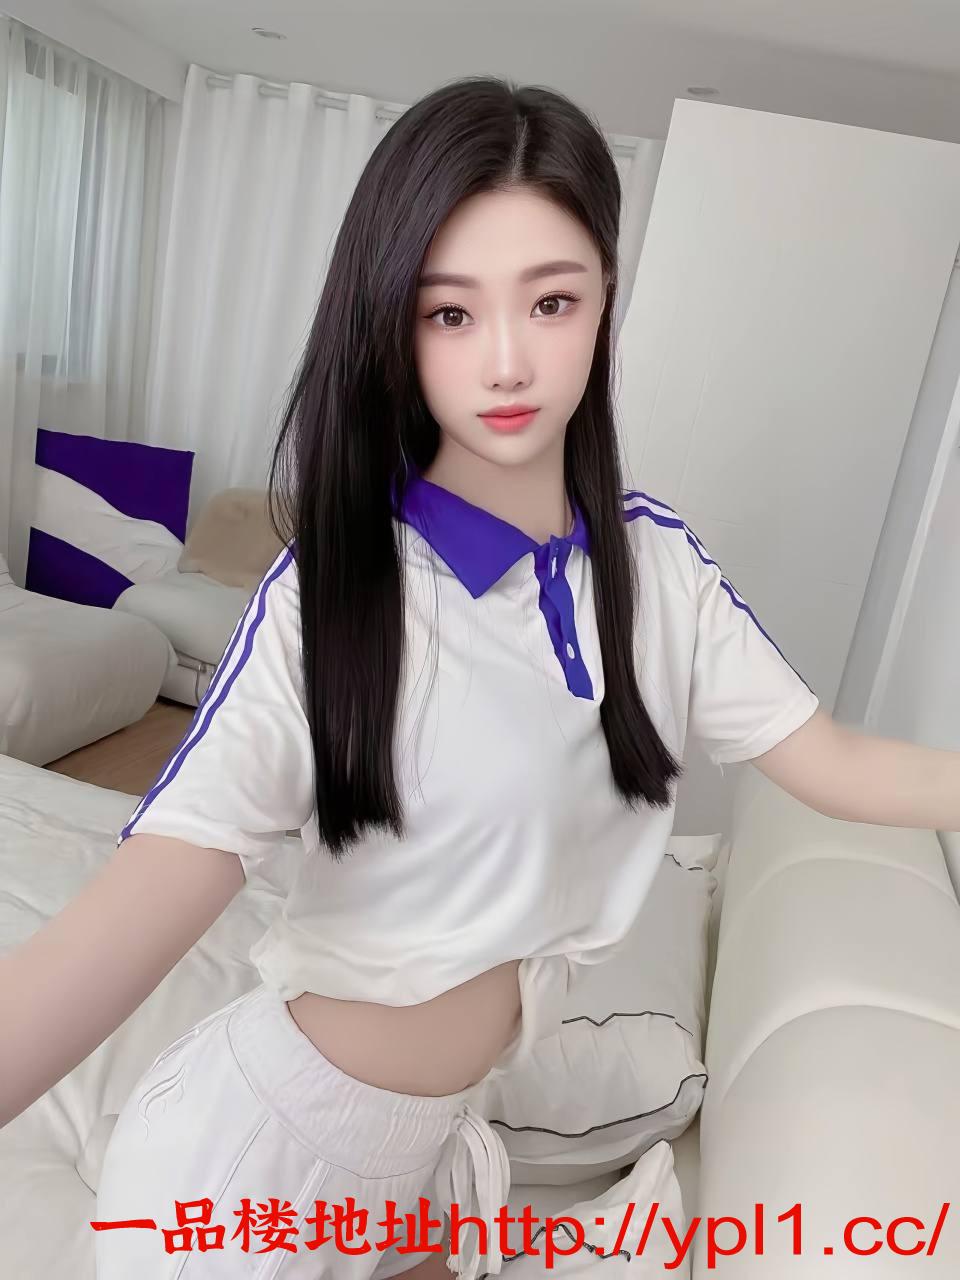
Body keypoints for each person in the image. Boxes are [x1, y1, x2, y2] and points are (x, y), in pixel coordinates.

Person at [10, 73, 955, 1279]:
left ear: (605, 298)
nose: (507, 360)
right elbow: (132, 913)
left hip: (428, 1157)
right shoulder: (336, 593)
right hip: (257, 1168)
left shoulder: (658, 573)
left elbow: (836, 761)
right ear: (393, 327)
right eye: (450, 313)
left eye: (550, 300)